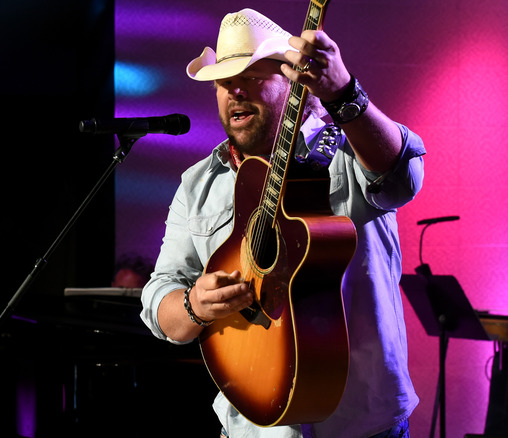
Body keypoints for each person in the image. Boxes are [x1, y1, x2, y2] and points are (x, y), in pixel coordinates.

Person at [140, 8, 425, 438]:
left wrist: (345, 94)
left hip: (360, 426)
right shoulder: (199, 183)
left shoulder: (350, 148)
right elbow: (159, 294)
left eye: (253, 74)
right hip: (249, 427)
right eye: (223, 79)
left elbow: (402, 176)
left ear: (294, 83)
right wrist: (194, 305)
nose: (234, 89)